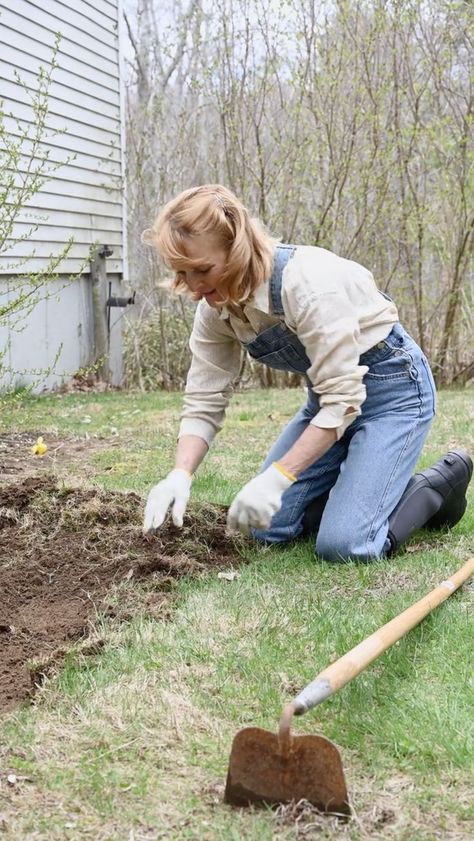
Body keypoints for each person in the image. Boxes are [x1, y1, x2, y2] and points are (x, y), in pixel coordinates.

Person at [142, 184, 472, 561]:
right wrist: (180, 474)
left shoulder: (308, 284)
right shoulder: (216, 310)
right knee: (263, 528)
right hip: (327, 405)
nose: (195, 288)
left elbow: (343, 401)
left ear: (237, 248)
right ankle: (358, 494)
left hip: (394, 395)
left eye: (202, 270)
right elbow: (204, 398)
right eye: (183, 274)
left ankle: (438, 485)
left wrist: (279, 476)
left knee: (346, 546)